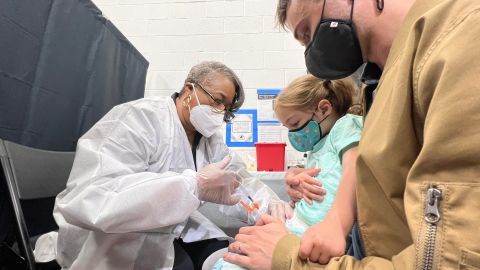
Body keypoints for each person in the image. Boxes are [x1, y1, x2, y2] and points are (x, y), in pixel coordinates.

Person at [224, 0, 480, 269]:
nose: (313, 53)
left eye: (308, 32)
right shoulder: (376, 84)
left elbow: (447, 258)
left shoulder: (459, 40)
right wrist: (300, 176)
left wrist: (288, 257)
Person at [53, 61, 281, 270]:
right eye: (217, 100)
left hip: (174, 230)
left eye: (227, 108)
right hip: (117, 239)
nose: (220, 112)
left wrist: (271, 207)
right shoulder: (139, 119)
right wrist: (192, 186)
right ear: (189, 89)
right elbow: (95, 197)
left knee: (226, 255)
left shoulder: (209, 140)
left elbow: (238, 180)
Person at [213, 75, 362, 270]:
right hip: (298, 226)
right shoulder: (318, 145)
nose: (293, 135)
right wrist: (295, 174)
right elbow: (326, 173)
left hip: (315, 234)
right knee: (227, 261)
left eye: (294, 123)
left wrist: (338, 224)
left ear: (324, 109)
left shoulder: (346, 126)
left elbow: (355, 166)